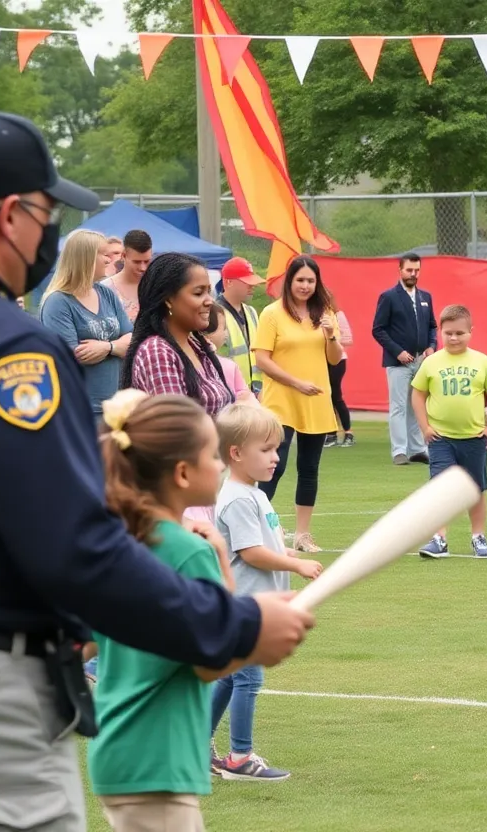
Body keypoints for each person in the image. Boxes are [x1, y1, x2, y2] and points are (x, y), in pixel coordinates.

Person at [0, 107, 312, 832]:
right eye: (48, 210)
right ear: (12, 214)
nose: (51, 231)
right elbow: (73, 542)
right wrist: (232, 626)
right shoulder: (0, 342)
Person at [88, 390, 240, 831]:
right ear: (182, 472)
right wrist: (265, 627)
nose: (220, 465)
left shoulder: (122, 542)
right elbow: (215, 657)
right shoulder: (188, 553)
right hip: (159, 758)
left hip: (120, 753)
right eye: (212, 455)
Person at [210, 404, 322, 783]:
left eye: (277, 448)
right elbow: (251, 553)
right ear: (236, 453)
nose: (276, 457)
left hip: (252, 605)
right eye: (267, 449)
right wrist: (296, 565)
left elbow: (265, 541)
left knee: (230, 677)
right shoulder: (240, 497)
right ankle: (240, 758)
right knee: (248, 679)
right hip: (248, 606)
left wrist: (286, 551)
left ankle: (194, 743)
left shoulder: (253, 492)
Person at [254, 255, 343, 554]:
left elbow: (334, 358)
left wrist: (331, 336)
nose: (305, 286)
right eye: (300, 280)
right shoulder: (271, 314)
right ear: (289, 281)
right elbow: (262, 359)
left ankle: (302, 535)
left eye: (310, 280)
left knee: (309, 468)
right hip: (281, 400)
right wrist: (295, 382)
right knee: (272, 466)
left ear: (317, 283)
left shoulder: (325, 314)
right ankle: (260, 529)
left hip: (316, 400)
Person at [413, 305, 487, 559]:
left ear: (470, 332)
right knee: (440, 488)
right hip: (441, 438)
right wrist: (425, 427)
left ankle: (478, 536)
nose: (454, 338)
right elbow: (418, 394)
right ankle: (439, 538)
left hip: (473, 439)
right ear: (440, 332)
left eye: (459, 333)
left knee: (475, 489)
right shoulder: (431, 362)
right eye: (448, 333)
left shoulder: (481, 361)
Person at [122, 252, 234, 419]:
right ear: (169, 300)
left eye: (209, 292)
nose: (210, 300)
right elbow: (177, 430)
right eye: (198, 293)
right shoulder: (157, 352)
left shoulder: (196, 346)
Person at [39, 229, 133, 415]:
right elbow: (74, 356)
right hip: (79, 410)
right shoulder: (58, 302)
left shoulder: (106, 293)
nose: (109, 260)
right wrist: (117, 346)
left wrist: (107, 347)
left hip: (114, 409)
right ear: (86, 258)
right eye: (104, 255)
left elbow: (132, 340)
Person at [372, 252, 435, 465]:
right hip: (397, 363)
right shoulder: (388, 297)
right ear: (400, 270)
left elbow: (432, 326)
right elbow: (378, 330)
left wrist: (431, 346)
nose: (413, 274)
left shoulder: (425, 297)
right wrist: (397, 351)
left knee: (417, 405)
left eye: (417, 270)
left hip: (420, 361)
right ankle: (399, 450)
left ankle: (417, 449)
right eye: (409, 270)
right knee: (398, 406)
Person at [216, 256, 265, 396]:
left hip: (255, 392)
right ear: (228, 282)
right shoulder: (215, 313)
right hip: (228, 393)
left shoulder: (251, 312)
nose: (253, 286)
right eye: (247, 282)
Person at [205, 305, 254, 404]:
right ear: (206, 333)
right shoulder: (227, 366)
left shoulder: (229, 366)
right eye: (223, 328)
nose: (226, 333)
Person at [103, 229, 152, 322]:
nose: (143, 268)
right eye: (136, 262)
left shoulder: (156, 286)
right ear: (124, 256)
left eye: (147, 261)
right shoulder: (105, 290)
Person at [326, 302, 355, 447]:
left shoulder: (337, 315)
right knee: (326, 396)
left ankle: (348, 432)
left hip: (337, 360)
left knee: (335, 395)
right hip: (321, 361)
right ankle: (331, 432)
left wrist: (331, 339)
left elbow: (348, 338)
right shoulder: (312, 316)